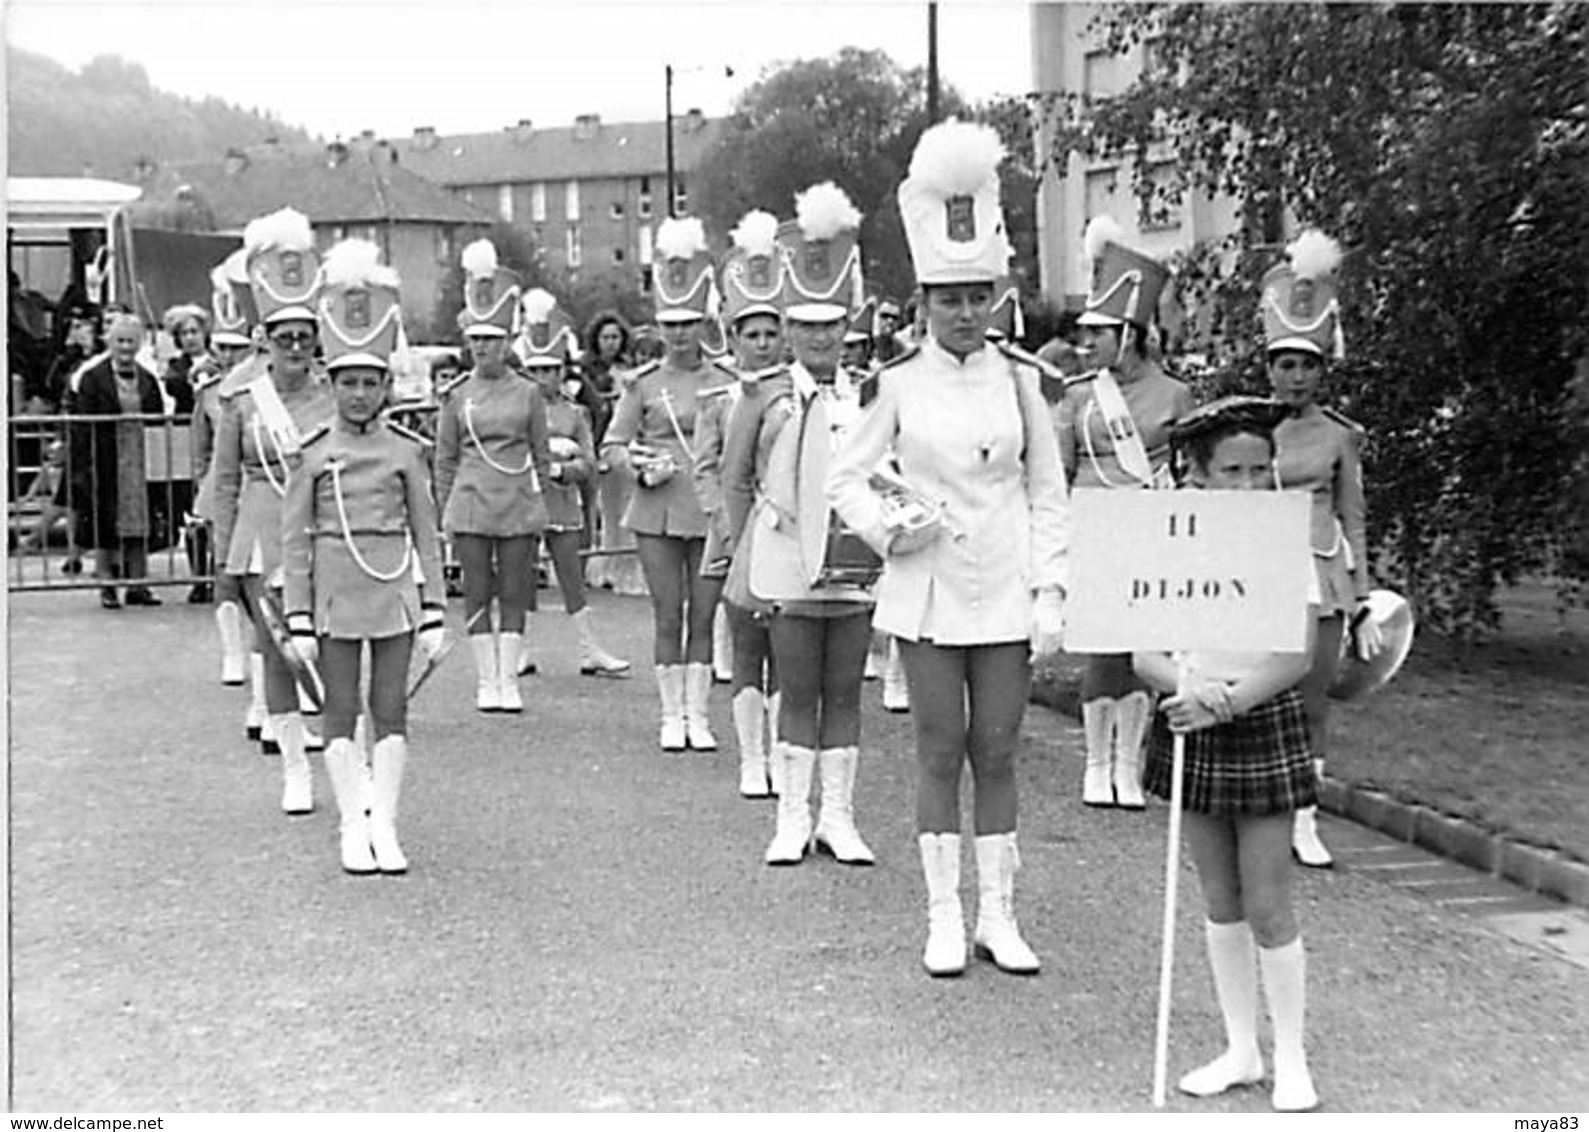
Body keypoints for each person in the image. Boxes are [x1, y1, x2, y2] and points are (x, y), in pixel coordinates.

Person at [830, 121, 1069, 975]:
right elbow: (846, 480)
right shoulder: (892, 383)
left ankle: (998, 916)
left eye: (978, 296)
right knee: (937, 748)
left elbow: (1046, 492)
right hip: (927, 589)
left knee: (997, 750)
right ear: (924, 301)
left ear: (996, 296)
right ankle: (942, 915)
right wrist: (887, 530)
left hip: (1003, 587)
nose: (965, 313)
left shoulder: (1024, 381)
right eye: (948, 298)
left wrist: (1050, 592)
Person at [1132, 395, 1321, 1112]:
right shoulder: (1168, 546)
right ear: (1199, 477)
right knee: (1219, 898)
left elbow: (1295, 654)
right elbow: (1140, 647)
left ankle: (1292, 1058)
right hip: (1190, 719)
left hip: (1256, 719)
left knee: (1269, 900)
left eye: (1259, 470)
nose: (1247, 485)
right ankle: (1240, 1048)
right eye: (1232, 471)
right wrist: (1181, 686)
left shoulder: (1284, 544)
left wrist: (1226, 700)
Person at [281, 239, 445, 875]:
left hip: (393, 591)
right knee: (339, 706)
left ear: (385, 387)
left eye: (369, 383)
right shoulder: (313, 451)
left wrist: (432, 607)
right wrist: (297, 617)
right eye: (347, 382)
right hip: (334, 593)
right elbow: (296, 541)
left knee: (393, 708)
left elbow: (427, 534)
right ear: (330, 383)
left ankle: (387, 822)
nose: (357, 394)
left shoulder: (406, 450)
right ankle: (353, 823)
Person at [737, 182, 877, 866]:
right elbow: (736, 480)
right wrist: (742, 570)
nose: (820, 336)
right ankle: (791, 817)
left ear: (846, 328)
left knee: (845, 690)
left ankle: (839, 818)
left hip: (853, 563)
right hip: (787, 561)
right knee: (796, 689)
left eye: (832, 324)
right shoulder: (762, 395)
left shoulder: (874, 395)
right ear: (787, 328)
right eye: (807, 324)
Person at [1059, 215, 1195, 810]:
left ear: (1131, 334)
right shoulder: (1079, 395)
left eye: (1100, 334)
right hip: (1093, 532)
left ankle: (1128, 765)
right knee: (1102, 652)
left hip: (1152, 531)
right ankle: (1095, 764)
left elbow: (1190, 470)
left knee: (1143, 653)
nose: (1088, 345)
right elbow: (1060, 474)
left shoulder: (1176, 394)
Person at [1260, 230, 1379, 869]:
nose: (1297, 376)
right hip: (1262, 572)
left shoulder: (1340, 436)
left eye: (1308, 365)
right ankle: (1263, 806)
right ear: (1270, 368)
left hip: (1324, 572)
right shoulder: (1249, 429)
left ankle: (1305, 816)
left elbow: (1352, 515)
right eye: (1286, 364)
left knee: (1311, 697)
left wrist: (1360, 600)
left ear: (1322, 370)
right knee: (1262, 691)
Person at [211, 207, 335, 802]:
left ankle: (340, 756)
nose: (293, 346)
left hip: (325, 534)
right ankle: (293, 771)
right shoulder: (241, 399)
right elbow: (226, 478)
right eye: (282, 337)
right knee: (277, 648)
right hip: (262, 534)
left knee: (331, 647)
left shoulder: (336, 397)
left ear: (316, 341)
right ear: (265, 340)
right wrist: (223, 552)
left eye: (303, 338)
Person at [601, 217, 733, 751]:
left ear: (705, 322)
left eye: (689, 323)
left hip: (707, 507)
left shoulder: (726, 380)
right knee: (666, 611)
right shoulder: (643, 384)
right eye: (671, 324)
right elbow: (610, 445)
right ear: (659, 326)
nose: (680, 333)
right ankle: (670, 714)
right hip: (656, 508)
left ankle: (698, 715)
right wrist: (637, 466)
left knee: (704, 613)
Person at [433, 239, 552, 714]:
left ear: (507, 341)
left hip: (518, 501)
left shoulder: (528, 393)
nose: (483, 347)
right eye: (476, 339)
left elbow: (541, 456)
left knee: (516, 590)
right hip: (472, 501)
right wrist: (444, 511)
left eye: (493, 338)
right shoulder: (457, 395)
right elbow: (445, 458)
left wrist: (540, 502)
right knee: (478, 589)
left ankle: (509, 678)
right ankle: (487, 680)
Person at [710, 208, 787, 797]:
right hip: (739, 531)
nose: (762, 344)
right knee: (747, 644)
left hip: (793, 534)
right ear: (733, 338)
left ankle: (783, 751)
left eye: (769, 333)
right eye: (751, 334)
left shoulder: (800, 391)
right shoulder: (725, 398)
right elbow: (723, 473)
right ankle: (750, 756)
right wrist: (739, 540)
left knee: (789, 650)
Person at [515, 287, 630, 678]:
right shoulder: (515, 411)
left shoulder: (576, 413)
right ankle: (521, 649)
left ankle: (589, 648)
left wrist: (564, 467)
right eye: (536, 370)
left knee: (571, 576)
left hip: (562, 502)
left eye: (552, 369)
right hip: (525, 501)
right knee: (522, 576)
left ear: (563, 371)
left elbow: (590, 463)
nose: (545, 378)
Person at [69, 312, 167, 609]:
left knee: (141, 522)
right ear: (109, 342)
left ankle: (139, 584)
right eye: (120, 341)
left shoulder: (148, 379)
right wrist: (83, 465)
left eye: (131, 342)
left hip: (139, 459)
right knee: (105, 523)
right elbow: (82, 424)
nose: (125, 348)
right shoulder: (91, 378)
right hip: (105, 459)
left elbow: (158, 421)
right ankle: (107, 585)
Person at [192, 251, 258, 683]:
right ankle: (232, 653)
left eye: (238, 349)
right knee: (225, 574)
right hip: (221, 488)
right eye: (224, 349)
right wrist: (203, 491)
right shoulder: (210, 393)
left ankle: (260, 651)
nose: (231, 357)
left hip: (258, 486)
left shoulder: (261, 389)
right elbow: (201, 451)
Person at [582, 311, 648, 597]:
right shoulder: (588, 373)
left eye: (616, 337)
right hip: (601, 445)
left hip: (630, 445)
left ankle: (629, 570)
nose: (611, 343)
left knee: (629, 508)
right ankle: (607, 566)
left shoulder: (630, 370)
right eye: (605, 337)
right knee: (607, 510)